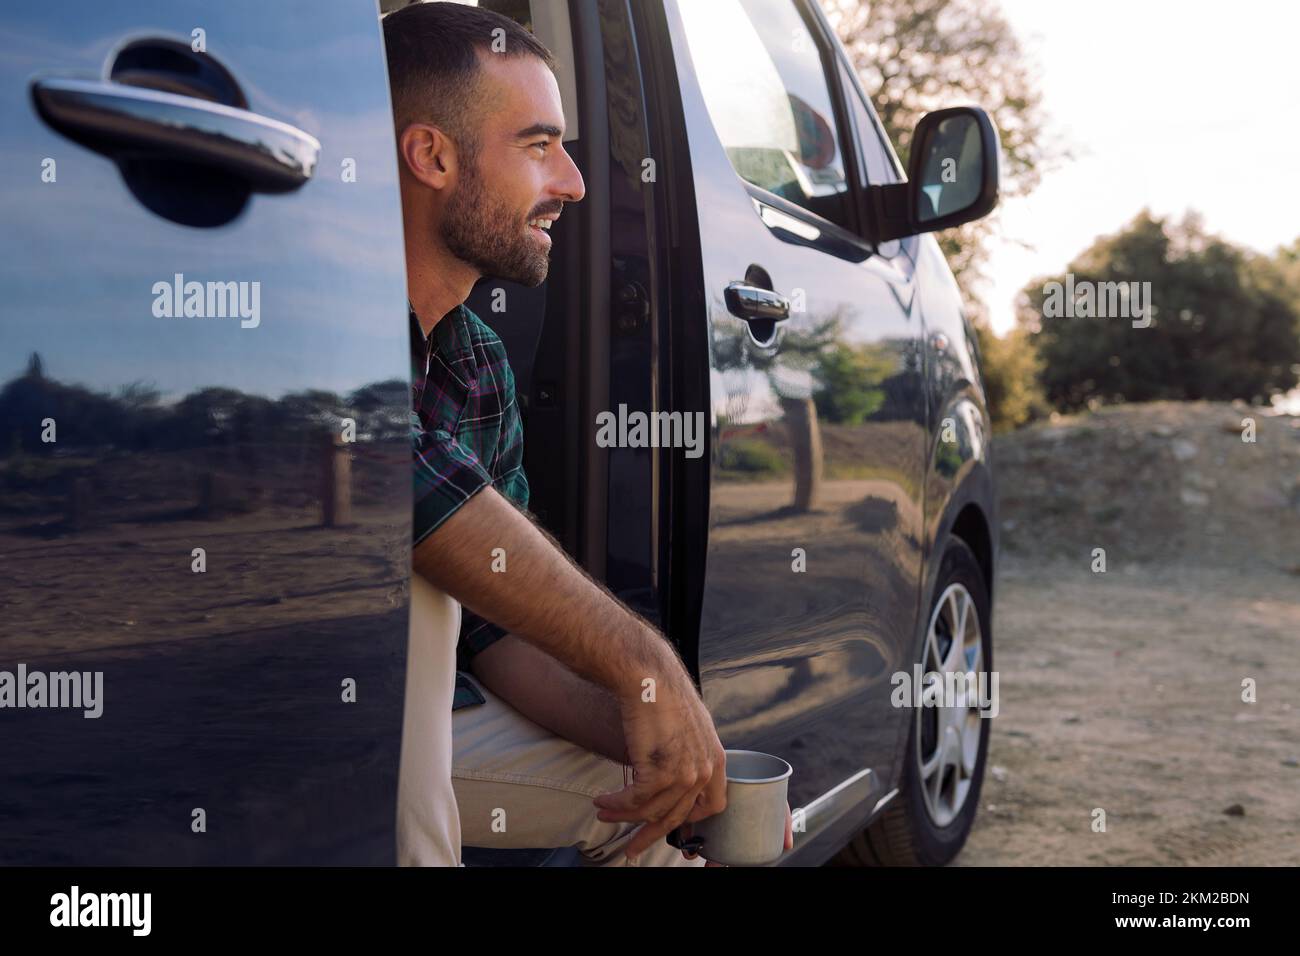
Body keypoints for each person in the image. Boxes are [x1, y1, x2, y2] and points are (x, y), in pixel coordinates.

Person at [386, 0, 730, 867]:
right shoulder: (323, 335)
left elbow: (496, 633)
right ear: (432, 156)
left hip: (439, 731)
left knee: (642, 805)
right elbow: (409, 493)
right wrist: (640, 660)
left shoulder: (477, 359)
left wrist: (655, 730)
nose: (574, 182)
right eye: (540, 146)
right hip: (300, 727)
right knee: (423, 577)